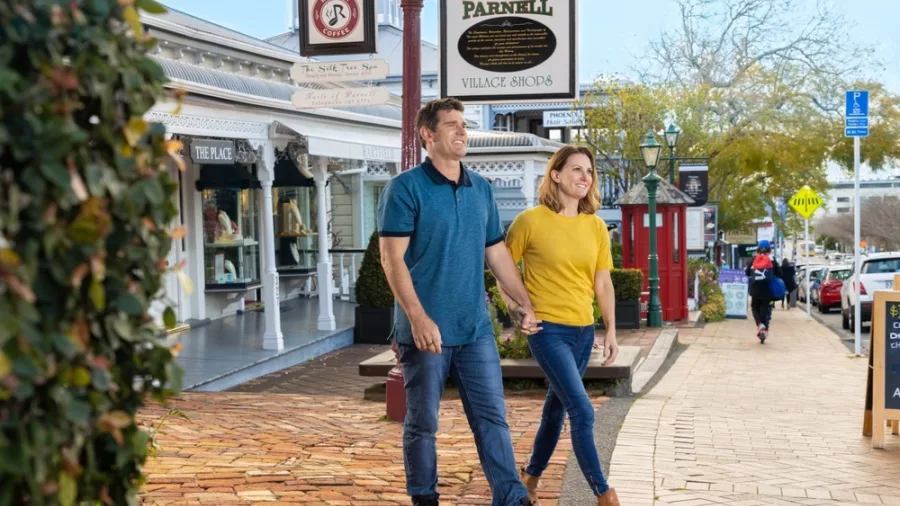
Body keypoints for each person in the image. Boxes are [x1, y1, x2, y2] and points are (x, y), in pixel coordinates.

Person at [377, 98, 541, 506]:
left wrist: (523, 303)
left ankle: (511, 496)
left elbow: (497, 253)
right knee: (423, 422)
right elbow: (391, 258)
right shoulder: (405, 188)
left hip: (475, 330)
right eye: (451, 124)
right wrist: (417, 317)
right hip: (426, 331)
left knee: (492, 420)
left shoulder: (481, 188)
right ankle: (424, 497)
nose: (462, 131)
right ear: (427, 135)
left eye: (463, 124)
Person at [499, 145, 621, 506]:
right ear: (556, 175)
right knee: (581, 410)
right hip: (547, 330)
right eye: (576, 170)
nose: (585, 177)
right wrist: (518, 310)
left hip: (583, 331)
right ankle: (604, 493)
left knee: (556, 408)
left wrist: (610, 330)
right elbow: (501, 271)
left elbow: (602, 283)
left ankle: (530, 479)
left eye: (589, 172)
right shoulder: (529, 221)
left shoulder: (596, 226)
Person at [745, 240, 782, 343]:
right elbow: (780, 273)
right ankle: (764, 329)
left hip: (755, 290)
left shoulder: (754, 259)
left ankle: (759, 325)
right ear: (769, 249)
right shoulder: (772, 259)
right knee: (765, 311)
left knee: (754, 307)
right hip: (768, 291)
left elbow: (747, 272)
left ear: (758, 248)